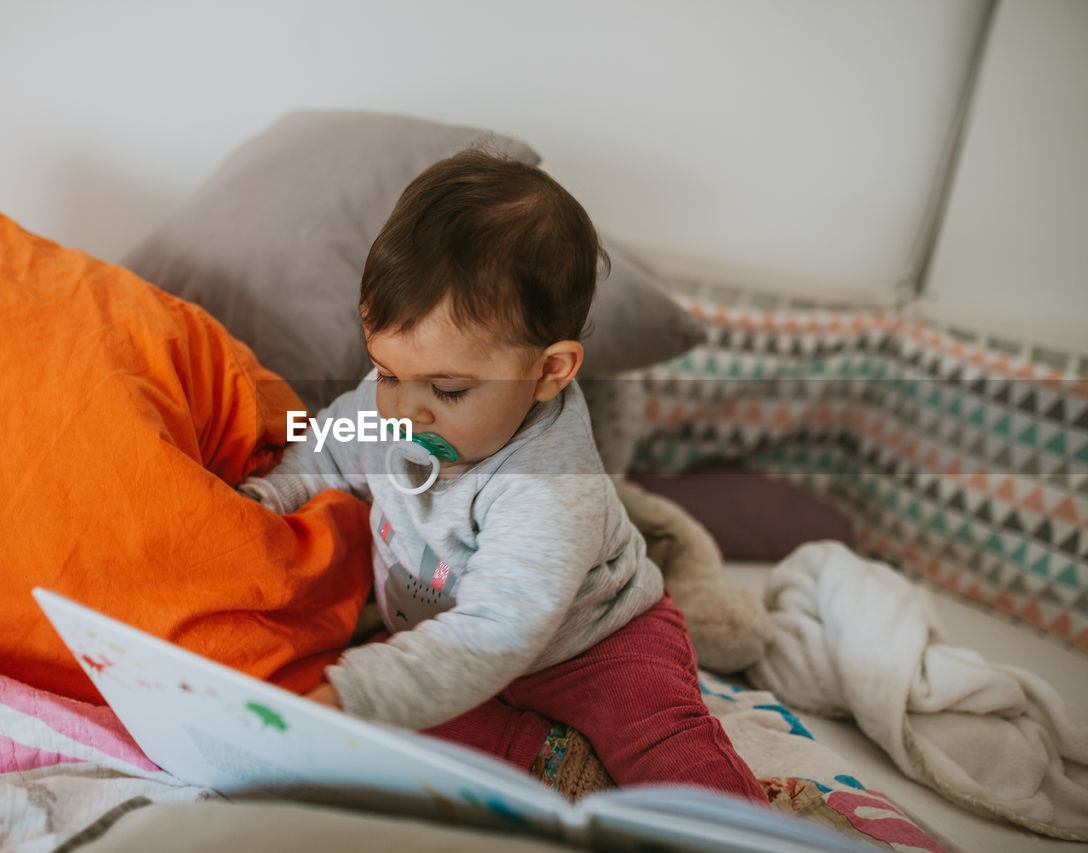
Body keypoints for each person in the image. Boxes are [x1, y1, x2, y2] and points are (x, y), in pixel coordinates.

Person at [239, 149, 764, 802]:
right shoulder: (400, 400)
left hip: (590, 645)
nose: (403, 408)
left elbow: (499, 629)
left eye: (450, 388)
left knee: (662, 741)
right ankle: (550, 759)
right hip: (451, 645)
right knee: (399, 732)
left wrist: (358, 692)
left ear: (549, 372)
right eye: (388, 372)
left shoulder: (547, 484)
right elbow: (329, 450)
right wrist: (258, 501)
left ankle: (758, 834)